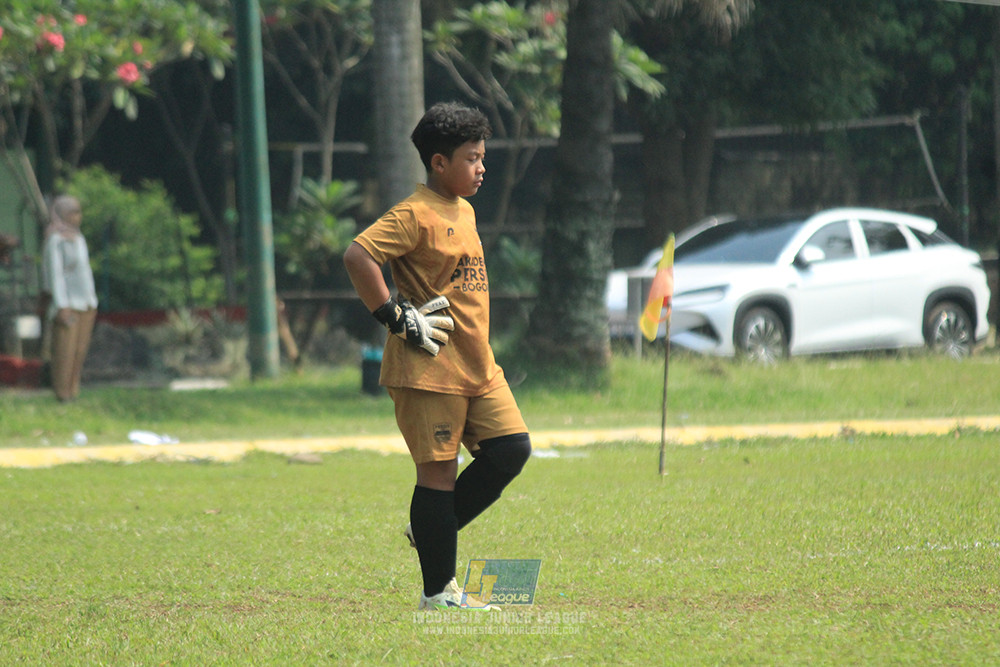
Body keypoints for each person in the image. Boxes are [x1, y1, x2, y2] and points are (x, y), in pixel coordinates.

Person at [344, 102, 532, 611]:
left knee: (512, 449)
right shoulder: (414, 213)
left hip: (478, 365)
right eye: (472, 158)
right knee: (439, 475)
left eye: (483, 157)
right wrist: (393, 315)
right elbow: (358, 255)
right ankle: (438, 594)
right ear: (439, 162)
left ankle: (429, 526)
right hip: (429, 368)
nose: (481, 167)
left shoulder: (465, 209)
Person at [41, 195, 98, 402]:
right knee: (65, 351)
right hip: (68, 305)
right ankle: (62, 392)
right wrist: (61, 305)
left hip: (86, 303)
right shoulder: (55, 240)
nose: (77, 216)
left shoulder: (79, 238)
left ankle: (73, 389)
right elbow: (55, 275)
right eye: (73, 212)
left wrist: (92, 299)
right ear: (63, 214)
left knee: (79, 350)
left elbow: (84, 271)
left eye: (78, 211)